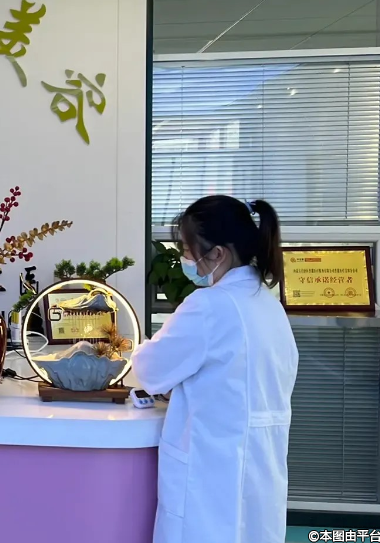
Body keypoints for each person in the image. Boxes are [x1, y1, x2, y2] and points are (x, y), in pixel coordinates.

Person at [134, 195, 298, 543]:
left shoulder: (209, 305)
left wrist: (134, 350)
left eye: (188, 250)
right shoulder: (269, 306)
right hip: (260, 466)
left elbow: (149, 370)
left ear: (218, 254)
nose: (186, 260)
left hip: (211, 468)